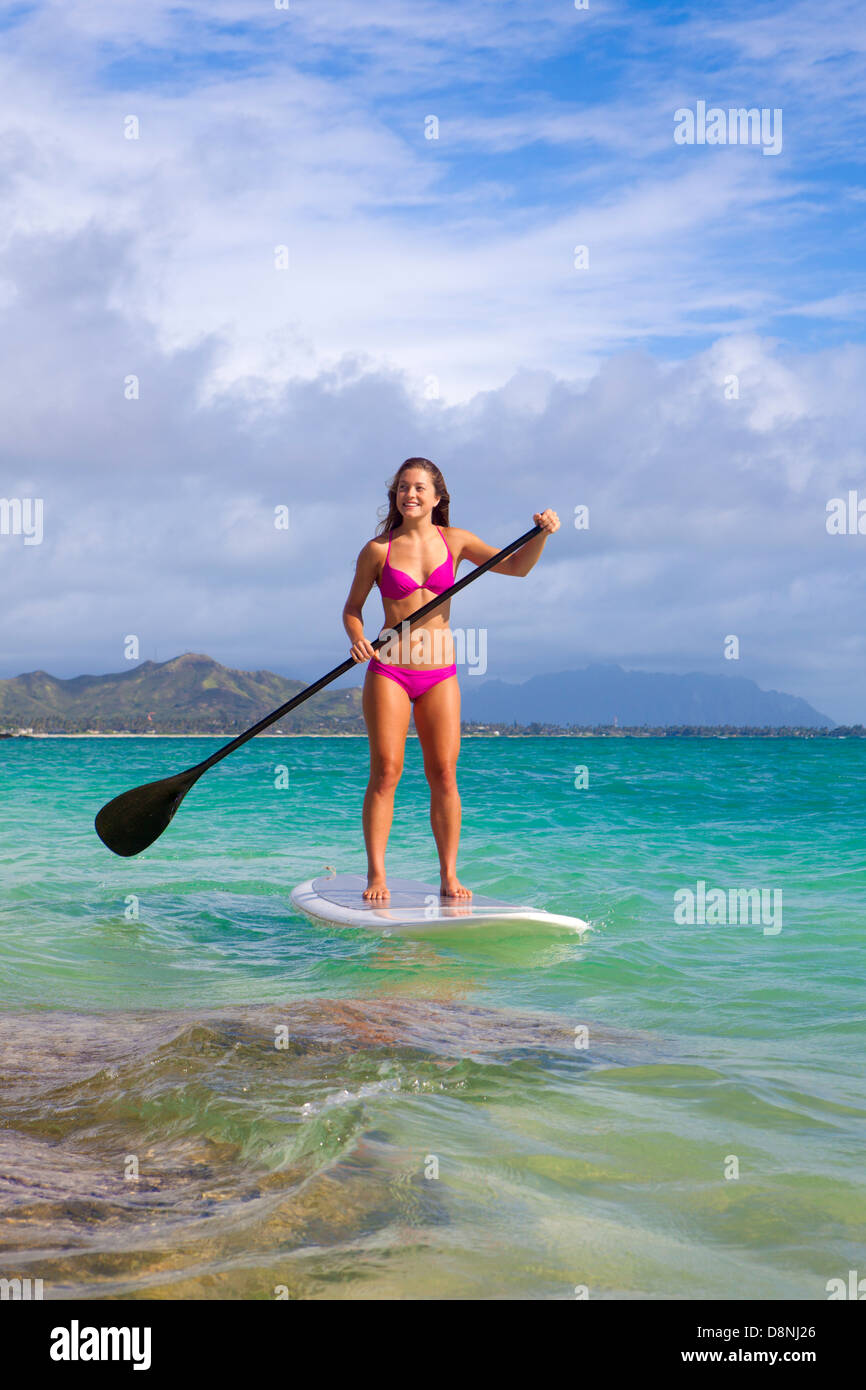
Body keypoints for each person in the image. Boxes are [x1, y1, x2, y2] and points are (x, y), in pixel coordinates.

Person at [343, 456, 559, 901]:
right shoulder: (377, 550)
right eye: (403, 487)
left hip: (439, 675)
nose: (411, 494)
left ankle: (448, 875)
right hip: (390, 671)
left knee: (443, 772)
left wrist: (541, 534)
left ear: (437, 497)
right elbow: (352, 610)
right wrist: (359, 638)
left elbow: (517, 568)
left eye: (420, 487)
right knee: (386, 771)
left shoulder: (456, 542)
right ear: (395, 496)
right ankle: (377, 876)